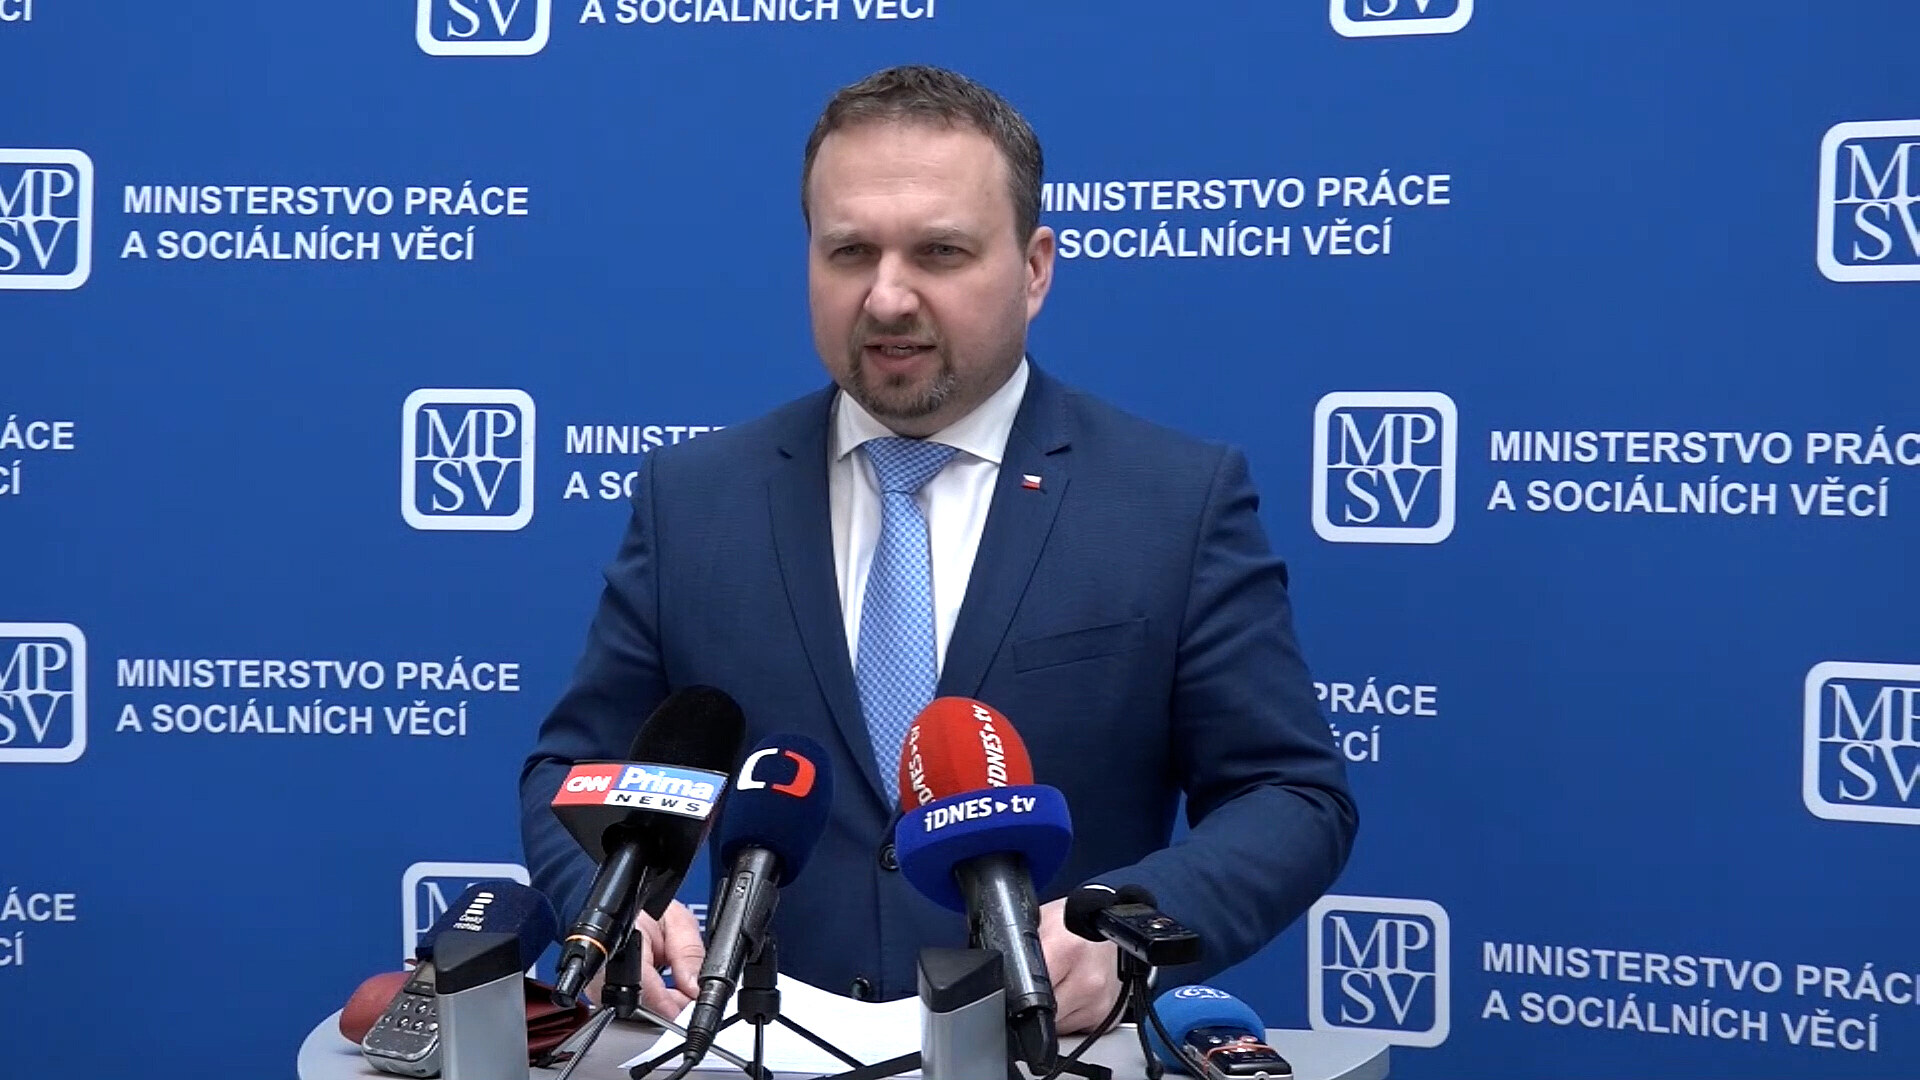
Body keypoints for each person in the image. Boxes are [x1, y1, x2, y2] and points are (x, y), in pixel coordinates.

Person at [519, 64, 1357, 1035]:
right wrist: (620, 907)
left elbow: (1288, 796)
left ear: (1035, 268)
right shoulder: (696, 499)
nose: (887, 297)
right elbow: (572, 773)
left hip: (1049, 1048)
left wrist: (1126, 930)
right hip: (755, 1045)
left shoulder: (1172, 501)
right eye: (850, 252)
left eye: (940, 252)